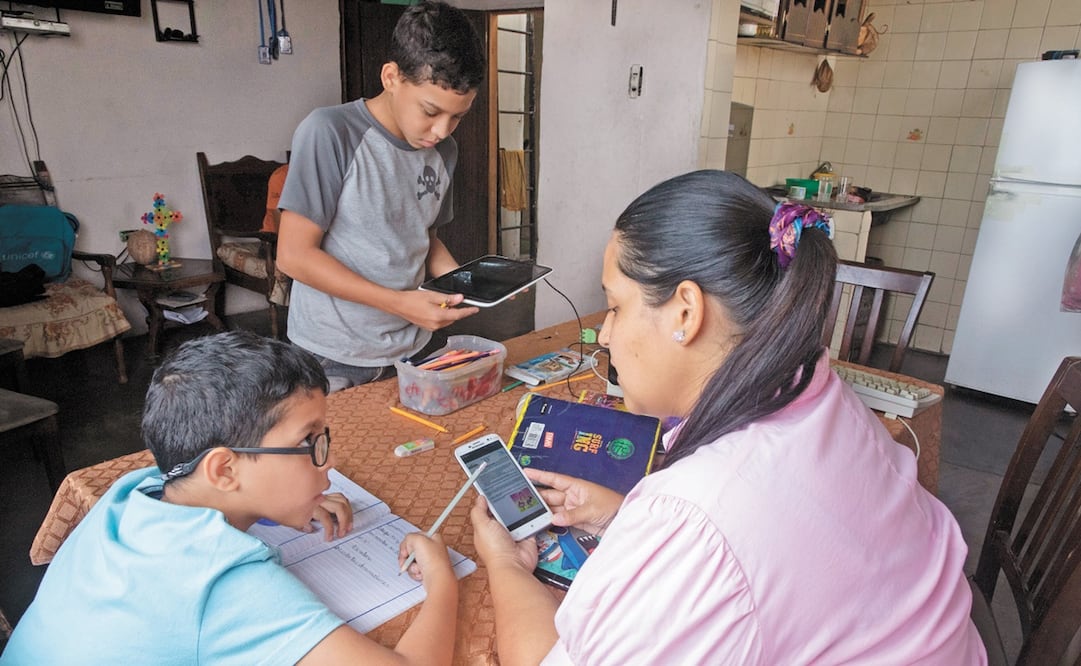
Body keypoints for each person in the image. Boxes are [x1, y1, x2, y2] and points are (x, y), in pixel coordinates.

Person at [471, 170, 986, 664]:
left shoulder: (698, 518)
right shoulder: (817, 390)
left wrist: (504, 562)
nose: (604, 336)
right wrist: (619, 516)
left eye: (615, 307)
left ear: (686, 313)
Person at [1, 331, 459, 665]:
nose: (328, 462)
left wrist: (275, 507)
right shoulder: (227, 590)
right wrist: (442, 578)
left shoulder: (132, 493)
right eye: (309, 443)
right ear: (224, 469)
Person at [276, 0, 486, 392]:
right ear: (391, 77)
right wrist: (398, 302)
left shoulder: (444, 151)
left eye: (458, 116)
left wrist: (466, 284)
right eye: (430, 110)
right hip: (332, 350)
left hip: (413, 344)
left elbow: (425, 237)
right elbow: (294, 256)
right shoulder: (330, 132)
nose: (442, 130)